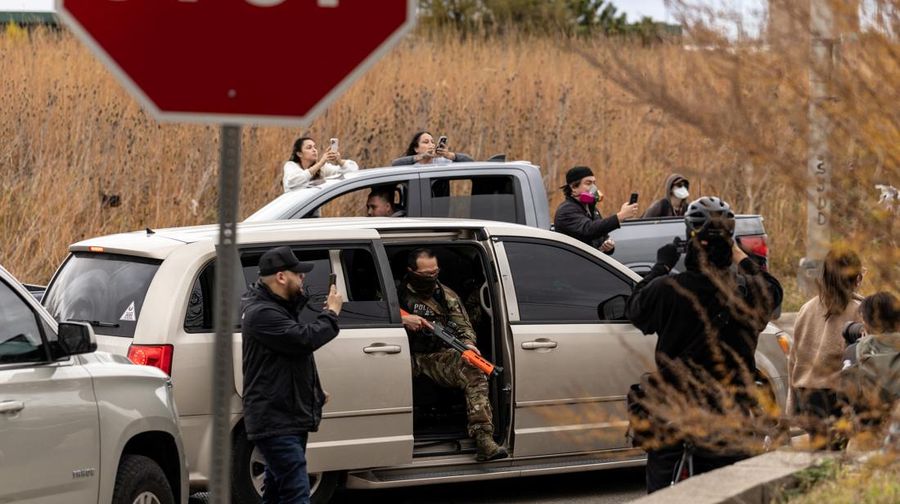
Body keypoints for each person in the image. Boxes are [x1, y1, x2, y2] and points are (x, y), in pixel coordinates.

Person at [626, 196, 783, 493]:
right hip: (731, 412)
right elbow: (774, 291)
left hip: (677, 411)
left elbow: (636, 308)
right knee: (735, 491)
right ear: (730, 241)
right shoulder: (749, 292)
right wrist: (741, 257)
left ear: (690, 240)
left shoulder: (668, 289)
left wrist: (661, 265)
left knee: (664, 491)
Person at [241, 246, 344, 503]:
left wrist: (315, 391)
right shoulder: (262, 313)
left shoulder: (278, 308)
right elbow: (303, 340)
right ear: (281, 277)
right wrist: (331, 313)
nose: (304, 278)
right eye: (298, 274)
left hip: (286, 415)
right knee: (297, 493)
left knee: (277, 492)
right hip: (275, 420)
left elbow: (288, 360)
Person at [398, 248, 508, 461]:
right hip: (397, 357)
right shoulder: (394, 293)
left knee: (473, 367)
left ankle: (484, 439)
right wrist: (401, 319)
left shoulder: (446, 295)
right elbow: (372, 313)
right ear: (411, 271)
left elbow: (464, 327)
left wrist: (467, 345)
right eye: (425, 274)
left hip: (432, 358)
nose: (431, 278)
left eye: (435, 272)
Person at [789, 248, 864, 449]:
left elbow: (794, 359)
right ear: (857, 277)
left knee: (819, 452)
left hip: (807, 396)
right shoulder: (859, 311)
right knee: (834, 455)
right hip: (837, 397)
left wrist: (791, 406)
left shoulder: (806, 309)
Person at [840, 292, 900, 425]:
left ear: (866, 323)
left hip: (872, 432)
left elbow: (845, 396)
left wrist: (855, 346)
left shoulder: (855, 351)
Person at [553, 166, 639, 254]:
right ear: (573, 187)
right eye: (588, 183)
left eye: (594, 183)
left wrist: (607, 246)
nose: (593, 188)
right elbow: (589, 229)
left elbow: (600, 234)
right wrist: (620, 216)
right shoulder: (566, 210)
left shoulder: (592, 209)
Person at [283, 136, 359, 192]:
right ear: (299, 154)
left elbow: (353, 171)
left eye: (315, 147)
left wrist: (339, 161)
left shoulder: (322, 169)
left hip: (313, 213)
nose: (314, 150)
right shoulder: (290, 166)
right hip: (293, 212)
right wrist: (320, 163)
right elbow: (293, 182)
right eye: (309, 147)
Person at [391, 131, 473, 166]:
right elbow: (395, 164)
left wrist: (448, 155)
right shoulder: (412, 166)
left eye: (433, 142)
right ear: (416, 149)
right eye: (426, 142)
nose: (431, 145)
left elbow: (470, 161)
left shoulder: (442, 163)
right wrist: (422, 156)